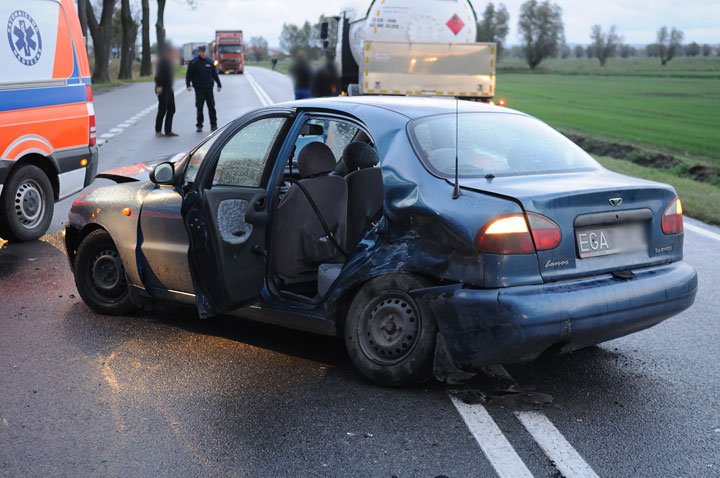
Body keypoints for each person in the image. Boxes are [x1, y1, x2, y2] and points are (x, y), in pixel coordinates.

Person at [186, 45, 222, 132]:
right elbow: (188, 75)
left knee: (211, 107)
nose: (203, 53)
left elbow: (215, 74)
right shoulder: (193, 62)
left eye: (204, 52)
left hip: (209, 88)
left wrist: (219, 85)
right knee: (199, 107)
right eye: (202, 52)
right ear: (198, 52)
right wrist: (188, 85)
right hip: (199, 89)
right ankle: (199, 125)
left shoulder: (210, 62)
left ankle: (214, 125)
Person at [154, 45, 178, 137]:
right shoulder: (162, 61)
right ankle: (158, 130)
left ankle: (168, 130)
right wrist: (159, 85)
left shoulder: (169, 61)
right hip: (162, 87)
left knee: (172, 108)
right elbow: (158, 75)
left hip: (169, 87)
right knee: (162, 109)